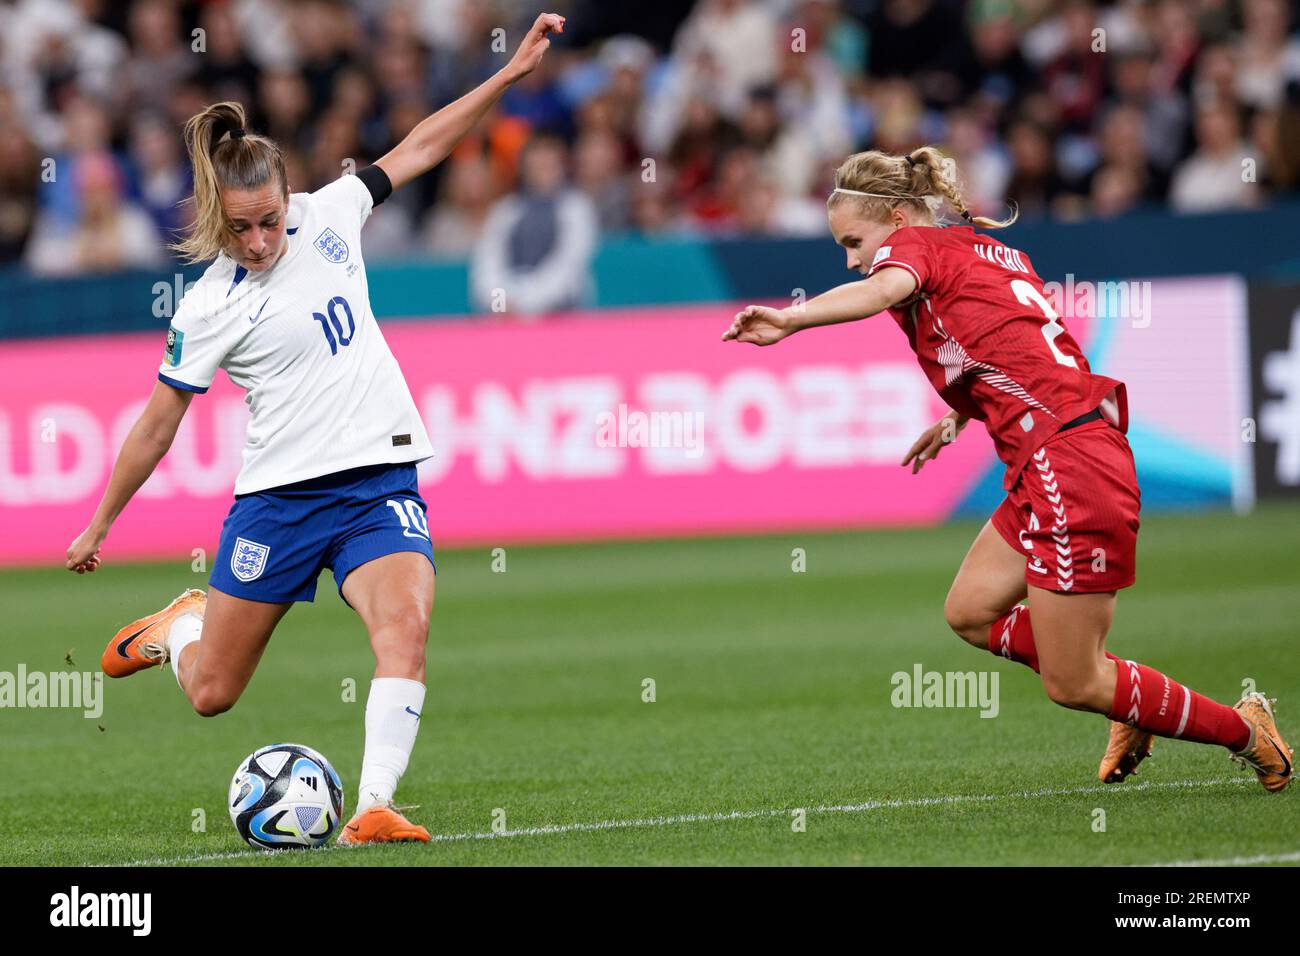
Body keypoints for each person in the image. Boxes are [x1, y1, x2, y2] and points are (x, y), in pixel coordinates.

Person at [65, 13, 568, 845]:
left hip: (378, 483)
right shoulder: (208, 305)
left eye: (269, 220)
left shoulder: (330, 214)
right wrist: (100, 523)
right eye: (241, 228)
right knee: (212, 693)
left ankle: (373, 805)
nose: (260, 240)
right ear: (218, 218)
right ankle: (182, 626)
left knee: (404, 632)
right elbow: (157, 427)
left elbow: (421, 145)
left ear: (286, 194)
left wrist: (509, 76)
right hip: (280, 501)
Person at [722, 146, 1293, 793]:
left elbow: (884, 286)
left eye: (855, 241)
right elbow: (1019, 346)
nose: (853, 258)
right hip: (1054, 455)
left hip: (1068, 466)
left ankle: (1246, 731)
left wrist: (792, 319)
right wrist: (960, 417)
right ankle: (1130, 699)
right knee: (969, 610)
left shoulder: (914, 252)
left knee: (1072, 682)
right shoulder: (989, 251)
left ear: (902, 215)